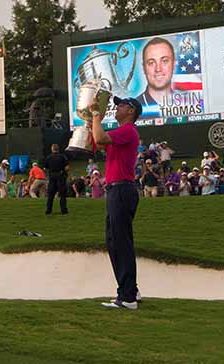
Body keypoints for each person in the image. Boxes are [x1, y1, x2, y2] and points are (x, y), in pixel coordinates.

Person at [90, 95, 143, 310]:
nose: (117, 107)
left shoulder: (128, 130)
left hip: (121, 189)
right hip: (117, 190)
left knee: (120, 242)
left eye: (121, 105)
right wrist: (91, 119)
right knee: (115, 241)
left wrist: (95, 115)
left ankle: (128, 296)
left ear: (130, 111)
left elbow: (100, 138)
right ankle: (131, 289)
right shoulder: (120, 134)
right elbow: (94, 141)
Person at [135, 37, 175, 110]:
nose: (158, 69)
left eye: (164, 61)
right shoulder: (133, 109)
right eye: (151, 63)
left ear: (174, 64)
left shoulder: (188, 102)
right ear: (144, 68)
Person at [43, 144, 69, 215]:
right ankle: (64, 210)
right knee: (62, 194)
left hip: (52, 177)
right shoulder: (63, 157)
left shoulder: (49, 157)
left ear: (52, 149)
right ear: (58, 149)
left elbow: (45, 168)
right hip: (60, 176)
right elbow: (67, 168)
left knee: (50, 195)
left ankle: (48, 210)